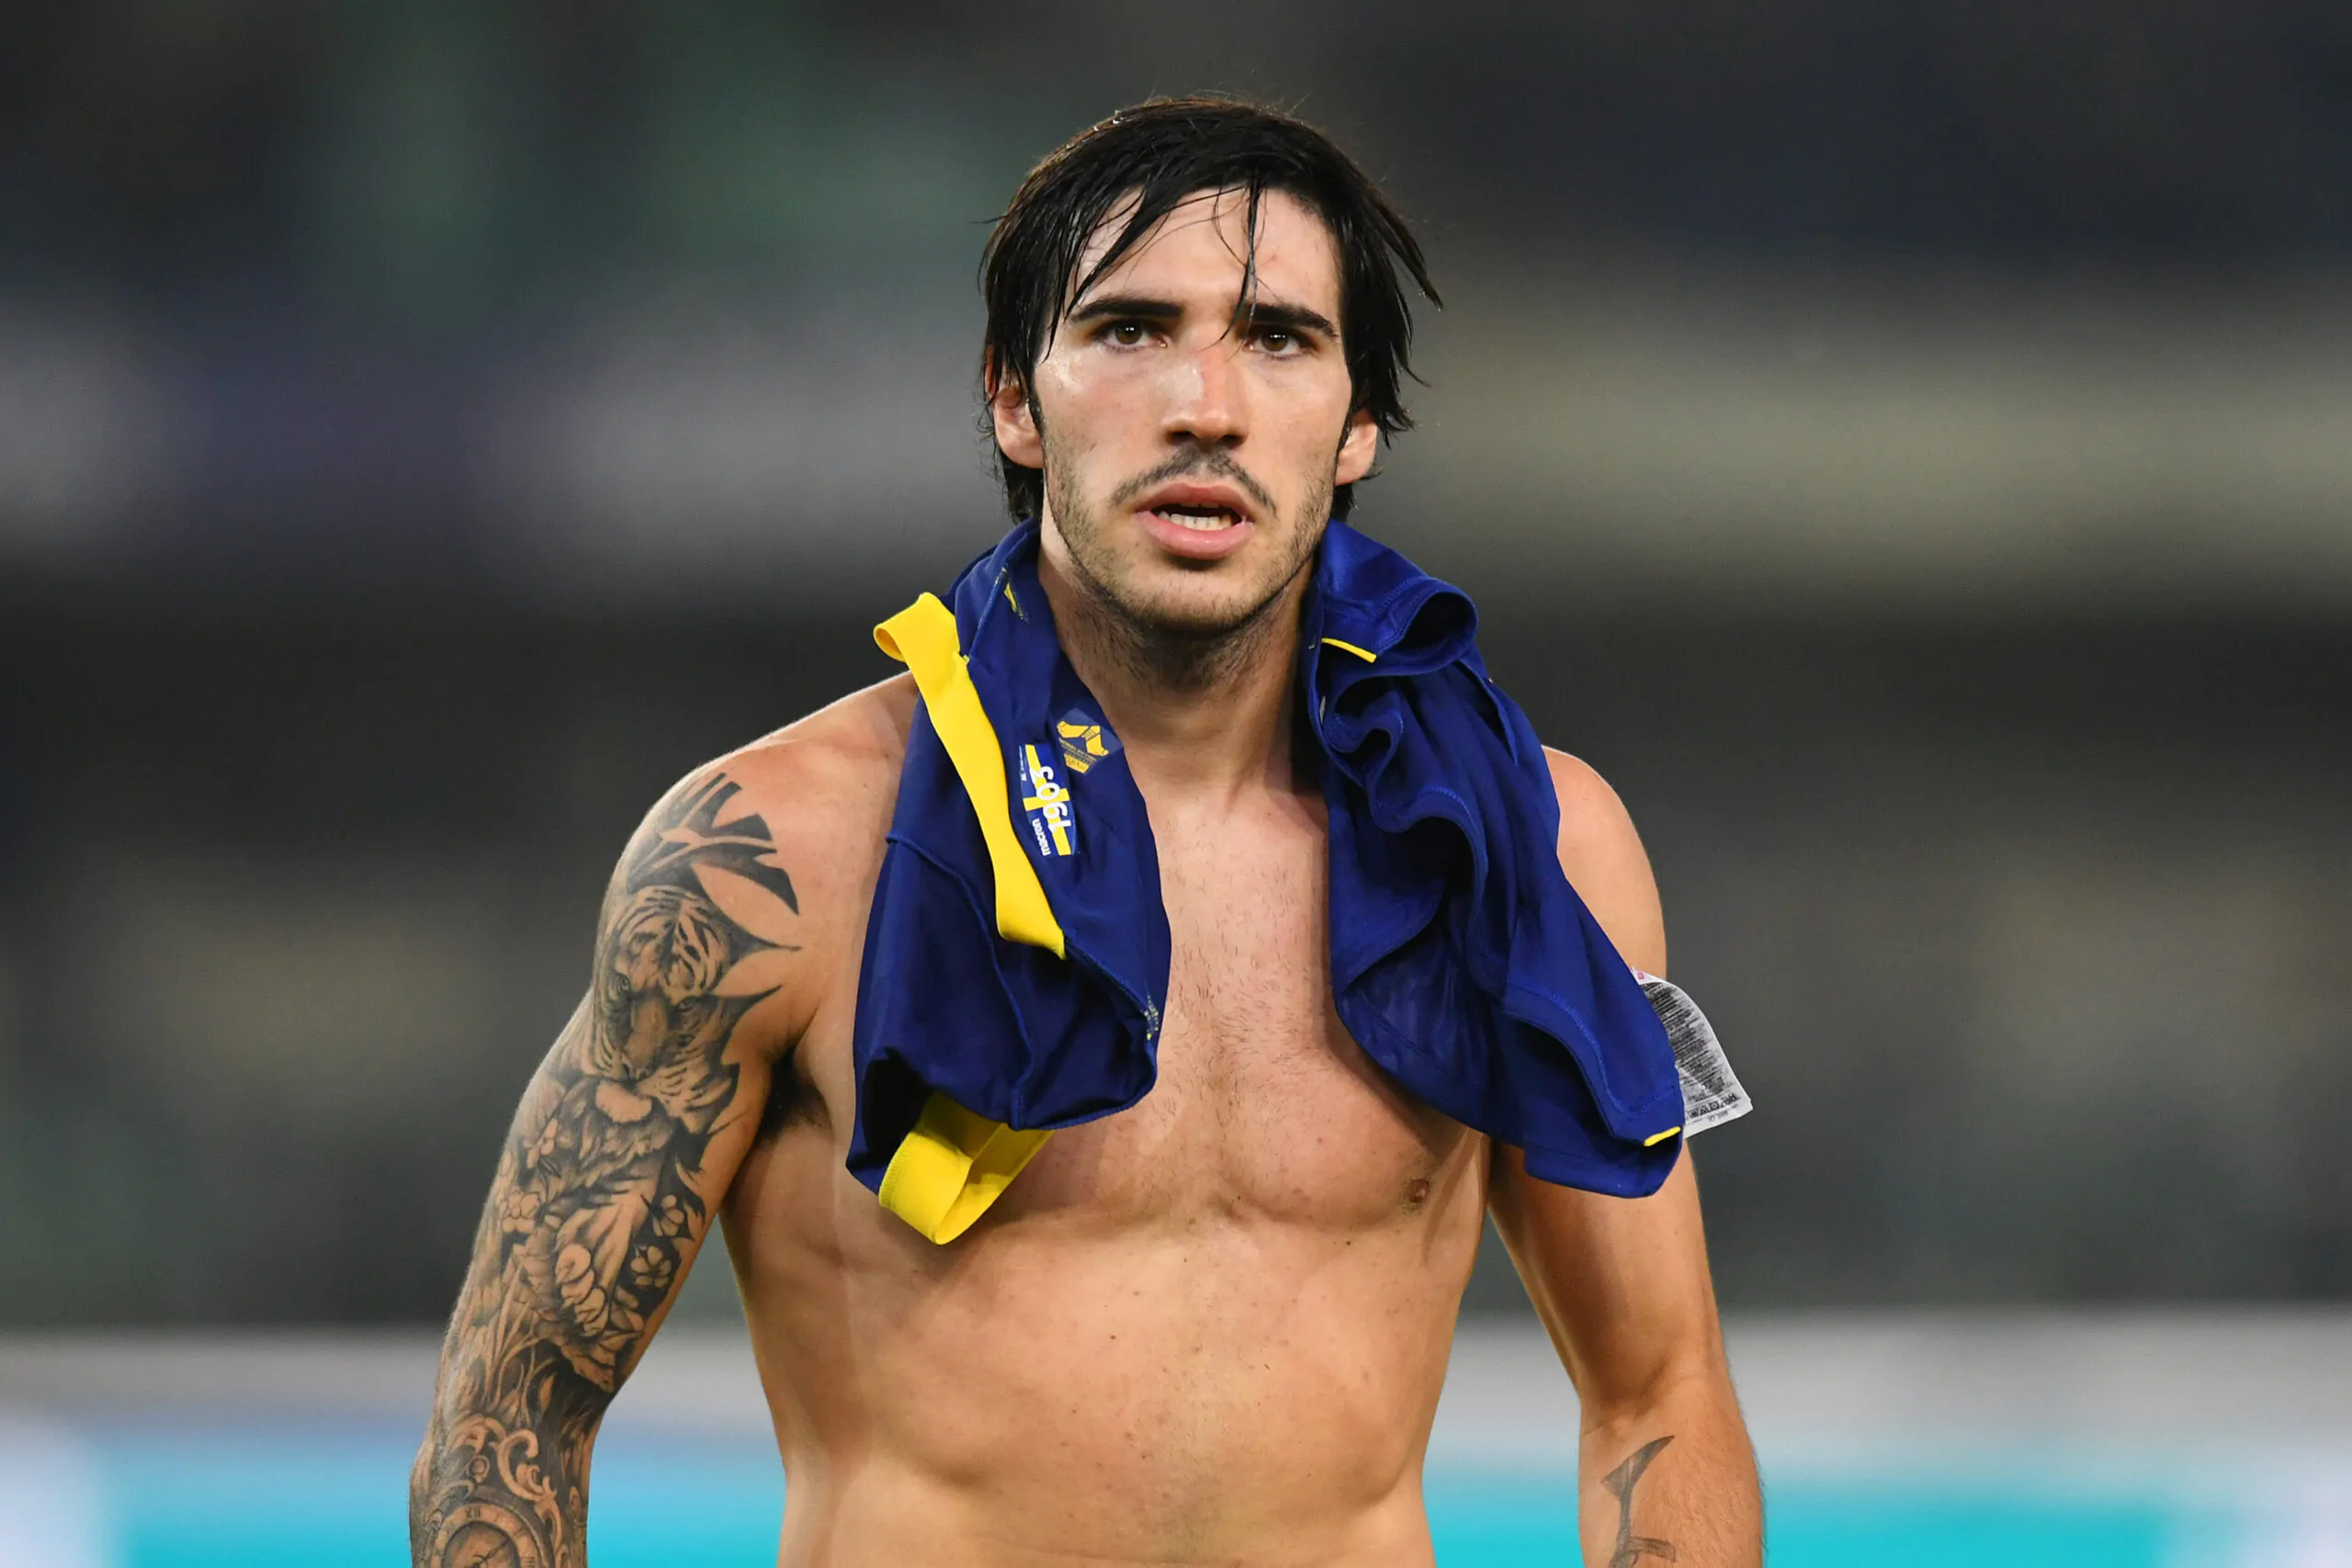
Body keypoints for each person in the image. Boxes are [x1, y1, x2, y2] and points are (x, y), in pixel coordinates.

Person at [411, 96, 1762, 1568]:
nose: (1206, 404)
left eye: (1279, 338)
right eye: (1129, 329)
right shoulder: (771, 857)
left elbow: (1659, 1392)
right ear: (1015, 397)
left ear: (1358, 425)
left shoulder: (1529, 846)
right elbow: (509, 1417)